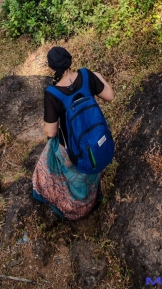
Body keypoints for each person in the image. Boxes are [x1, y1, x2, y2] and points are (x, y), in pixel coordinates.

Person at [32, 46, 114, 220]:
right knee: (88, 154)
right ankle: (93, 195)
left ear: (52, 68)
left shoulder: (52, 94)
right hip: (95, 141)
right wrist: (98, 76)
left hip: (73, 149)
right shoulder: (86, 75)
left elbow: (51, 132)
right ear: (70, 59)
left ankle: (76, 205)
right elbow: (110, 95)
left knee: (46, 160)